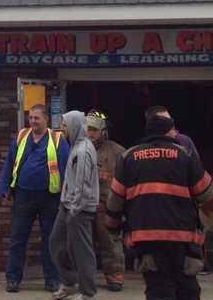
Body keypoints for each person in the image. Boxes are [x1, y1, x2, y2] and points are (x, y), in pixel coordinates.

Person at [106, 113, 213, 300]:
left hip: (146, 236)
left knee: (158, 287)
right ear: (167, 131)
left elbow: (115, 200)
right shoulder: (185, 154)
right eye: (173, 129)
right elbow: (206, 192)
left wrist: (112, 227)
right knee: (186, 285)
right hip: (183, 236)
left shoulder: (128, 157)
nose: (175, 133)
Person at [0, 104, 70, 293]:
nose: (32, 121)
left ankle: (52, 280)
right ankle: (13, 279)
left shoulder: (58, 139)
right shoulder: (21, 137)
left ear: (46, 119)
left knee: (50, 240)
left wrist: (67, 195)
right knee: (18, 239)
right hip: (23, 195)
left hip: (50, 197)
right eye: (30, 118)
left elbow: (66, 168)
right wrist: (4, 187)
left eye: (36, 118)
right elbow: (9, 163)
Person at [50, 110, 99, 300]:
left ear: (74, 126)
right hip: (67, 206)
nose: (63, 129)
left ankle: (87, 292)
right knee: (57, 243)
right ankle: (69, 282)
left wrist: (75, 209)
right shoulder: (75, 146)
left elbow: (82, 185)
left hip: (79, 209)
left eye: (65, 125)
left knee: (81, 251)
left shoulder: (84, 150)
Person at [86, 110, 127, 292]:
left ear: (103, 130)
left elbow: (127, 180)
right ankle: (85, 277)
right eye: (87, 129)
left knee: (110, 241)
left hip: (107, 205)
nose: (90, 133)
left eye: (94, 129)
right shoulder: (78, 149)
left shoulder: (118, 152)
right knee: (84, 243)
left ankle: (115, 276)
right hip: (84, 204)